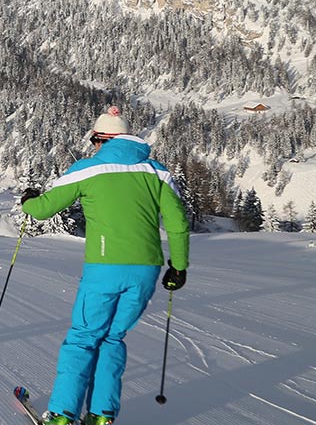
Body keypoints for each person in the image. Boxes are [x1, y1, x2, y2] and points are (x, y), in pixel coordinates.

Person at [18, 106, 190, 425]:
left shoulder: (88, 168)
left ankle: (62, 415)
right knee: (112, 338)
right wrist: (178, 267)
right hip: (146, 270)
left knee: (84, 337)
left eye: (94, 141)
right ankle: (101, 415)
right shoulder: (157, 171)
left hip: (105, 267)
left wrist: (28, 199)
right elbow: (178, 223)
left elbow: (43, 210)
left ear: (101, 139)